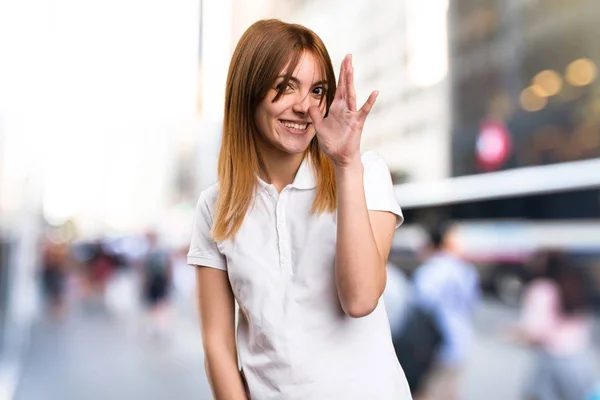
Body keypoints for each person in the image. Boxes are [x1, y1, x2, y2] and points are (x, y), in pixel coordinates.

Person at [188, 19, 412, 400]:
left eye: (317, 90)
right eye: (285, 87)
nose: (305, 107)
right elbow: (218, 347)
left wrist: (345, 166)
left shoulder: (365, 172)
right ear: (249, 92)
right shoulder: (215, 206)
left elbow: (360, 300)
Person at [508, 250, 597, 400]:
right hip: (578, 359)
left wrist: (513, 334)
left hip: (550, 360)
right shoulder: (574, 285)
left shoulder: (541, 289)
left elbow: (535, 331)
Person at [409, 223, 480, 400]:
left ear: (431, 245)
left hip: (436, 346)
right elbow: (472, 305)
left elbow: (420, 308)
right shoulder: (465, 269)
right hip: (461, 340)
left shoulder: (429, 271)